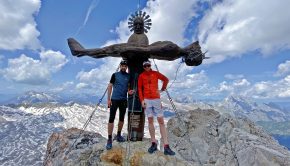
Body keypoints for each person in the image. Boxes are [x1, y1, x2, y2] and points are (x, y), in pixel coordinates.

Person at [138, 60, 175, 155]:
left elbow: (166, 79)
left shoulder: (155, 73)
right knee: (150, 120)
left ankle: (166, 146)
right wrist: (142, 100)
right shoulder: (141, 76)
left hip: (156, 99)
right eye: (145, 66)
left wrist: (163, 88)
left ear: (150, 65)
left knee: (161, 121)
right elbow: (139, 89)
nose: (147, 67)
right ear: (143, 67)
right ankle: (153, 143)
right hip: (147, 100)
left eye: (148, 65)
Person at [106, 60, 134, 150]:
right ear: (120, 66)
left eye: (125, 66)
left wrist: (129, 91)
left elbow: (129, 87)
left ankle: (118, 135)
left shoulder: (128, 76)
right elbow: (110, 86)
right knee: (111, 118)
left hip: (123, 100)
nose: (124, 67)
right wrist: (108, 99)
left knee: (121, 118)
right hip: (114, 99)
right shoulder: (115, 75)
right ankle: (109, 138)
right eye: (122, 65)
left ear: (127, 67)